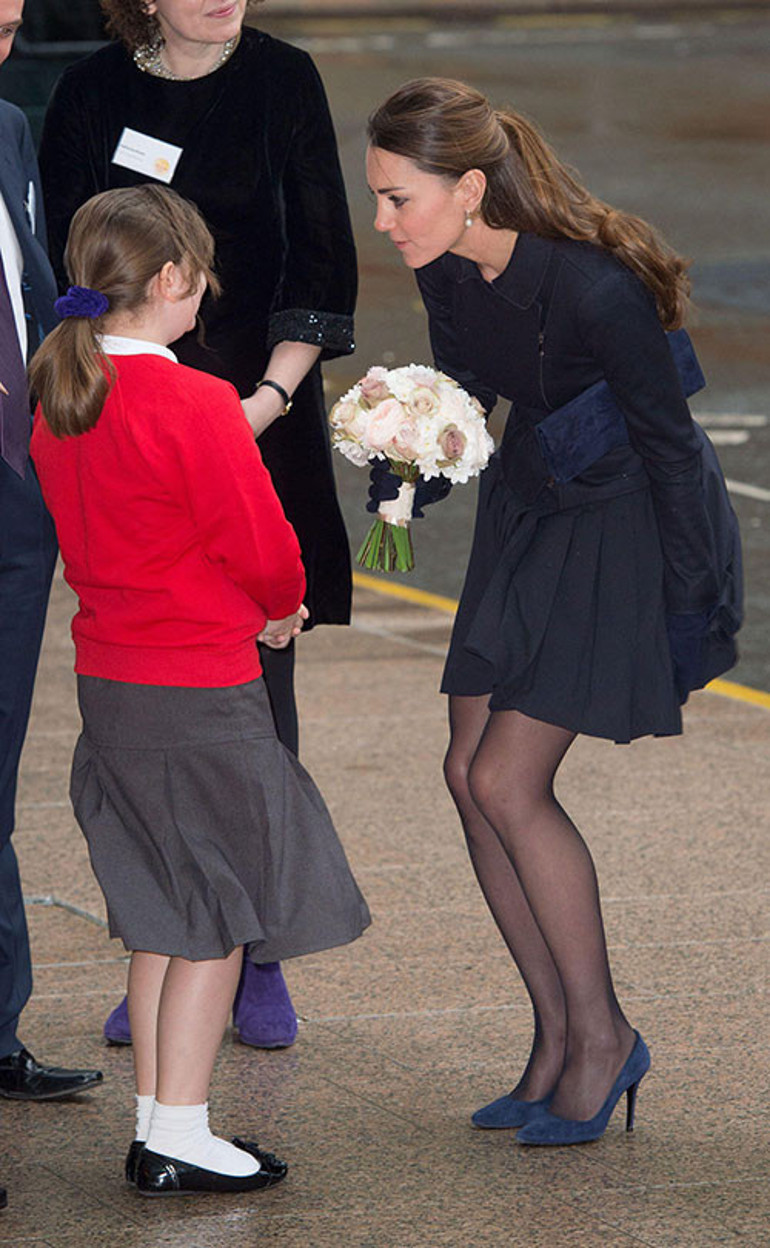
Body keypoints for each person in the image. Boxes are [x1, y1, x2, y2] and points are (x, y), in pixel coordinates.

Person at [366, 78, 740, 1146]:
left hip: (617, 518)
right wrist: (401, 489)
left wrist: (689, 606)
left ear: (468, 187)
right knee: (461, 770)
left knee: (503, 777)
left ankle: (605, 1036)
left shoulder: (595, 290)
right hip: (527, 504)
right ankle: (555, 1039)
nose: (383, 222)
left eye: (398, 199)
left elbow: (671, 454)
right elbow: (455, 402)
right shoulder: (447, 272)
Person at [30, 183, 370, 1195]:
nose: (207, 292)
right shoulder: (191, 402)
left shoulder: (65, 398)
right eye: (203, 276)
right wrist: (282, 604)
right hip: (200, 684)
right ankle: (177, 1133)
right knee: (220, 913)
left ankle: (155, 1120)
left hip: (114, 679)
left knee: (165, 909)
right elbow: (260, 543)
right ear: (171, 280)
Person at [38, 0, 358, 1050]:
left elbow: (321, 259)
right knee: (152, 701)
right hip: (124, 408)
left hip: (254, 412)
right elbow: (68, 269)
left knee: (257, 698)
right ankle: (176, 945)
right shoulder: (90, 92)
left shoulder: (281, 80)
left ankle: (252, 956)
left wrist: (256, 404)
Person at [0, 0, 103, 1127]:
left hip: (16, 518)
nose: (8, 34)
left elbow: (32, 284)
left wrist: (114, 331)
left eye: (15, 17)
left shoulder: (8, 130)